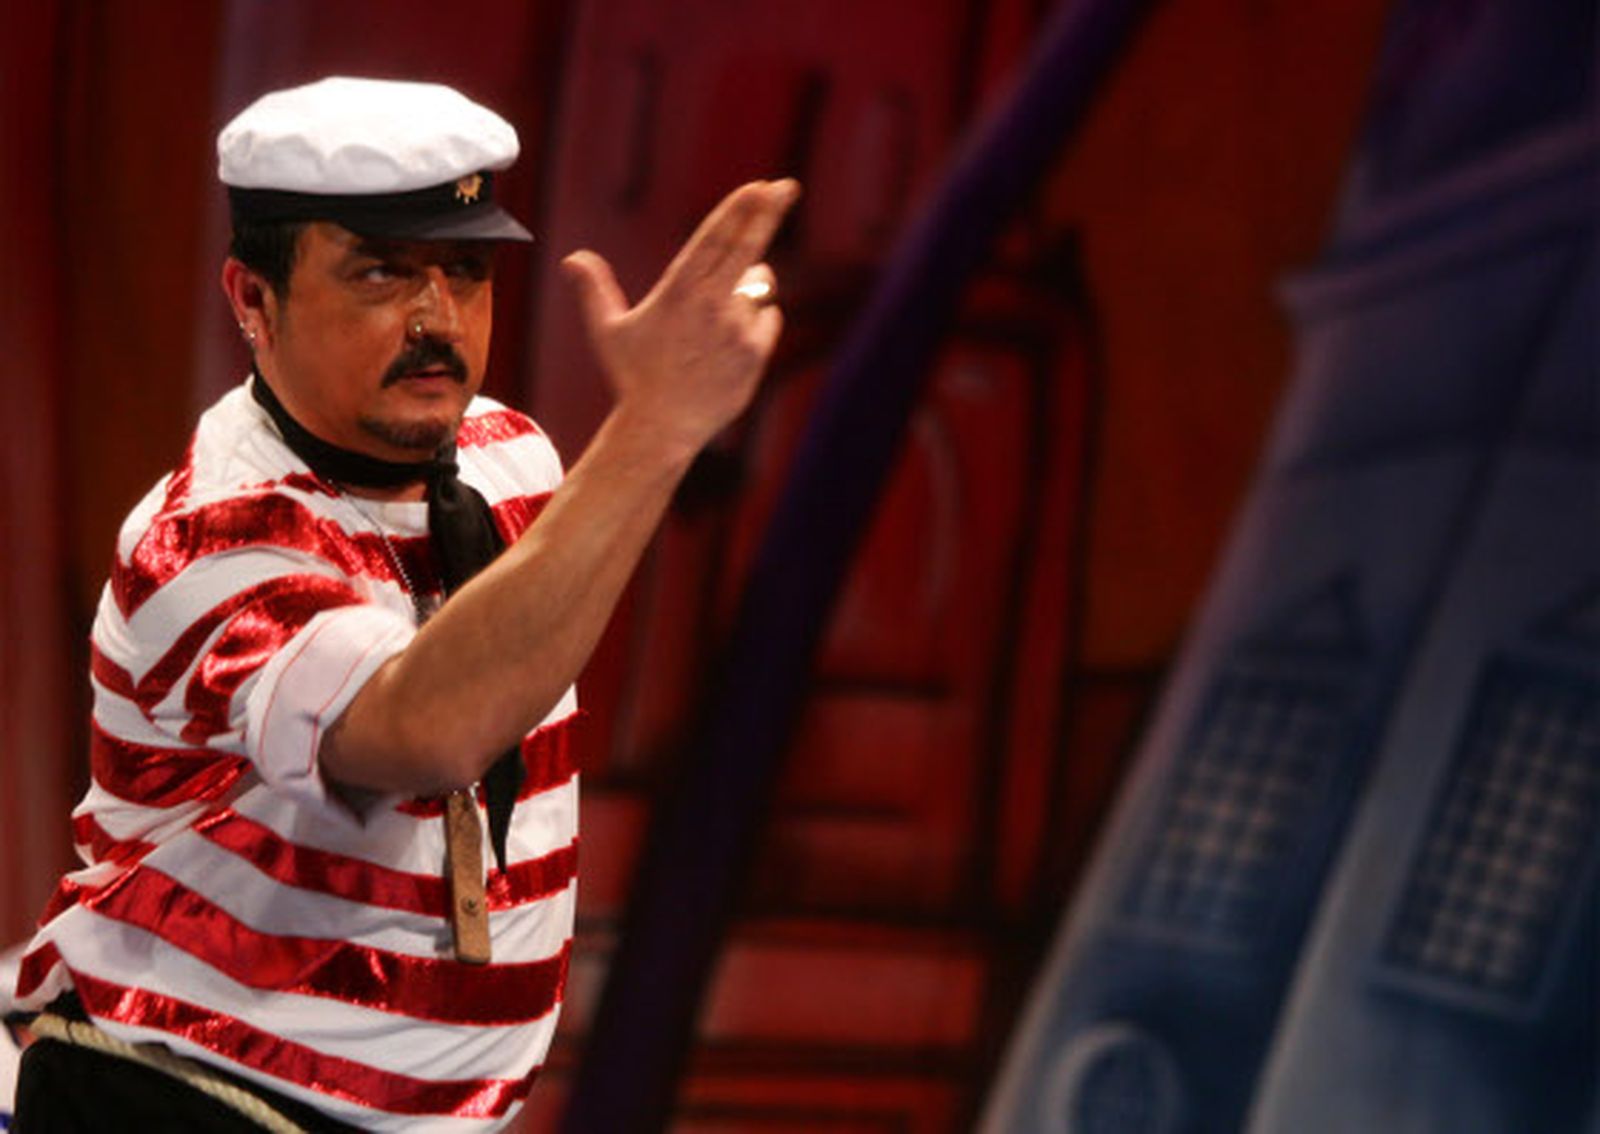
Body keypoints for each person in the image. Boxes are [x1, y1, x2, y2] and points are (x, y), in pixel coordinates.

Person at [9, 75, 798, 1132]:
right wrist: (657, 428)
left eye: (465, 272)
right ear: (253, 300)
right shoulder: (212, 533)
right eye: (381, 272)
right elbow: (427, 730)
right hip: (185, 1100)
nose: (437, 320)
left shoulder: (513, 460)